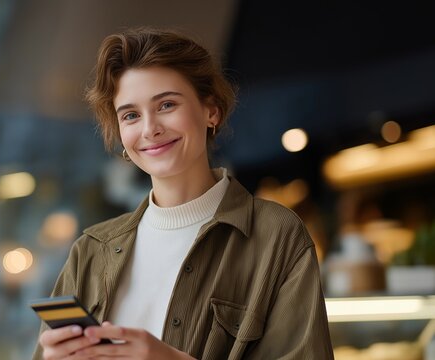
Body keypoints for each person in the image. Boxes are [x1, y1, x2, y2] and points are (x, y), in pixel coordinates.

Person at [33, 27, 333, 360]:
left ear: (211, 111)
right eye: (131, 115)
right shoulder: (89, 251)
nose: (149, 129)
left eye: (166, 105)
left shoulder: (276, 235)